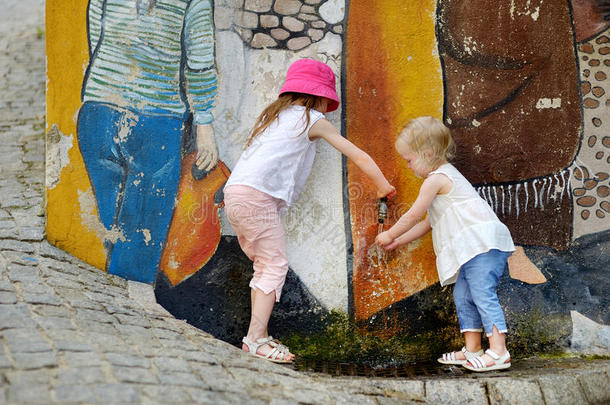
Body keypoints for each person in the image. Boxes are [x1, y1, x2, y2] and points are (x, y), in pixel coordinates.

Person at [223, 59, 396, 363]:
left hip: (236, 193)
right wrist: (383, 185)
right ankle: (255, 339)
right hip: (257, 199)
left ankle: (256, 336)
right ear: (318, 96)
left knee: (265, 265)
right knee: (274, 265)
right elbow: (356, 153)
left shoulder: (273, 115)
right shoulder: (311, 118)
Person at [78, 0, 218, 283]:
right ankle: (129, 318)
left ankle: (111, 310)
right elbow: (200, 60)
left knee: (115, 232)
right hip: (156, 122)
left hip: (98, 114)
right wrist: (204, 123)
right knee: (139, 246)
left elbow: (97, 39)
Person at [375, 116, 515, 372]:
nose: (408, 166)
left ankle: (499, 352)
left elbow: (414, 215)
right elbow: (429, 222)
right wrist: (397, 241)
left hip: (483, 244)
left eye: (409, 160)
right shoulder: (442, 179)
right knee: (464, 295)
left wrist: (389, 233)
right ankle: (472, 349)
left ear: (427, 154)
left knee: (482, 293)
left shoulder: (436, 180)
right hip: (473, 249)